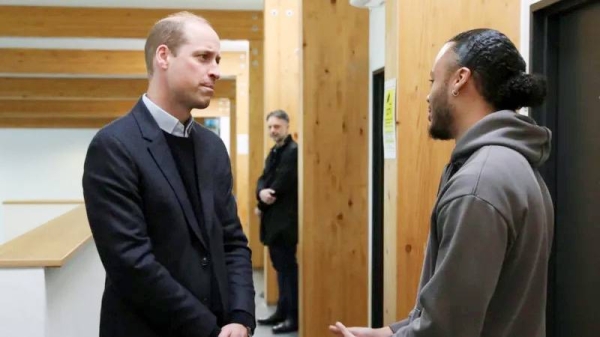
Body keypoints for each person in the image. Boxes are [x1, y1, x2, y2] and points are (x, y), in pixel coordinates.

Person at [330, 28, 554, 337]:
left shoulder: (479, 184)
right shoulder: (512, 164)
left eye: (433, 80)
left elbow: (446, 329)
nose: (427, 93)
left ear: (460, 79)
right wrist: (389, 333)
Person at [82, 12, 255, 337]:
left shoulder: (212, 147)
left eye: (216, 59)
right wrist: (209, 329)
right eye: (203, 57)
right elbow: (132, 264)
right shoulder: (114, 146)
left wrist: (241, 316)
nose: (216, 70)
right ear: (164, 56)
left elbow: (232, 242)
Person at [254, 110, 299, 334]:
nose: (273, 131)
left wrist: (262, 201)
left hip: (285, 223)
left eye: (277, 127)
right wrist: (260, 193)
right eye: (270, 127)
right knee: (280, 269)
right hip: (274, 222)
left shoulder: (292, 152)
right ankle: (282, 312)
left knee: (288, 271)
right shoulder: (275, 152)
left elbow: (279, 185)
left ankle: (292, 317)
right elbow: (263, 179)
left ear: (287, 126)